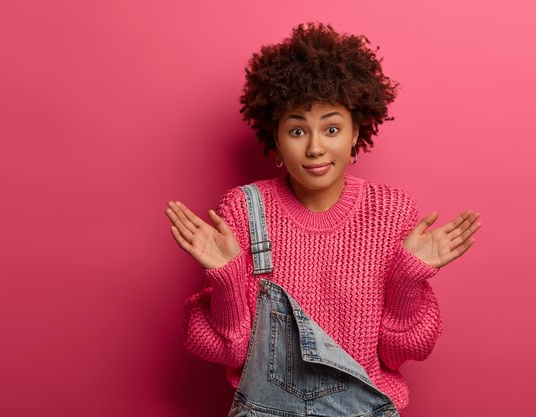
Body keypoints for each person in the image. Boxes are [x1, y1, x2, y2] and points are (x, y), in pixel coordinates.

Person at [165, 22, 481, 415]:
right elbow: (231, 352)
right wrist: (227, 279)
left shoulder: (391, 211)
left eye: (331, 128)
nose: (315, 147)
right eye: (297, 130)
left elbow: (402, 353)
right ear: (275, 139)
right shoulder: (245, 210)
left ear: (355, 133)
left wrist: (407, 278)